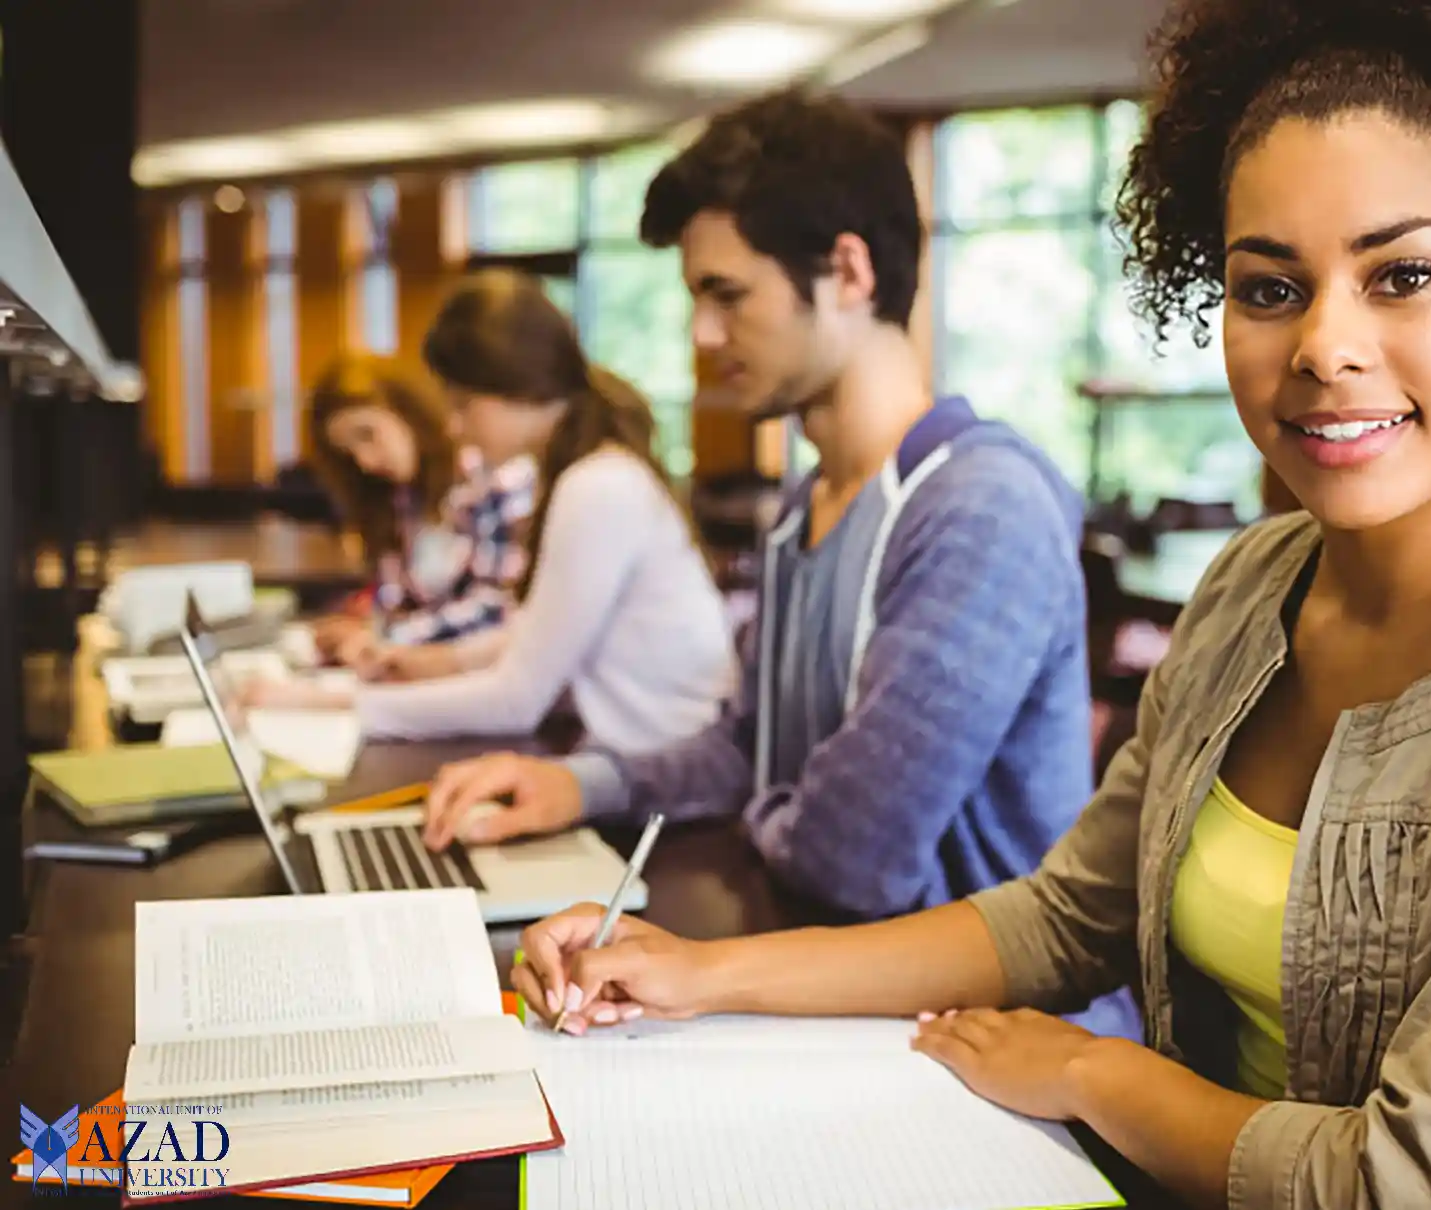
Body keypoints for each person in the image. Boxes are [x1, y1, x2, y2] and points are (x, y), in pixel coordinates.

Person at [507, 0, 1431, 1205]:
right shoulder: (1249, 588)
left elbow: (1428, 1185)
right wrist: (694, 973)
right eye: (1271, 287)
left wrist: (1093, 1071)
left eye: (1402, 276)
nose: (1324, 345)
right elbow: (1065, 917)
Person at [421, 90, 1129, 1033]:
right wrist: (577, 783)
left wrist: (768, 803)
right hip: (844, 1002)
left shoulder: (978, 507)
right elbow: (741, 750)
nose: (703, 337)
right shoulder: (807, 504)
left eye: (727, 295)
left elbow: (851, 860)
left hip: (993, 1046)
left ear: (846, 271)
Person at [248, 271, 736, 753]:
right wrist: (438, 661)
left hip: (663, 781)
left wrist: (333, 704)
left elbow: (516, 701)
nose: (456, 427)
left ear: (517, 386)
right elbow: (540, 633)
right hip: (636, 761)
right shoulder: (588, 472)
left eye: (463, 405)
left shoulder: (598, 487)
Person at [303, 352, 537, 678]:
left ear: (409, 413)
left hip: (486, 684)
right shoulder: (399, 502)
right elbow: (403, 605)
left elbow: (497, 611)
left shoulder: (492, 480)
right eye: (349, 453)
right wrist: (365, 630)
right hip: (420, 683)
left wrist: (385, 639)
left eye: (368, 434)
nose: (366, 461)